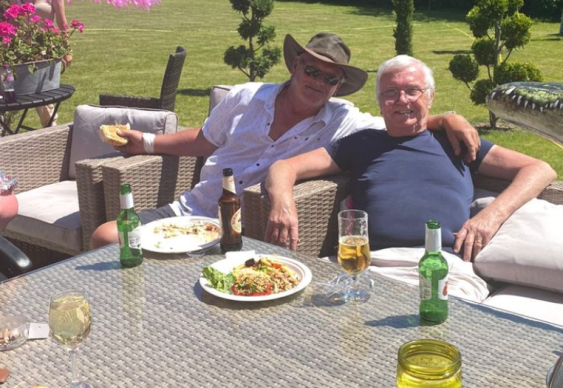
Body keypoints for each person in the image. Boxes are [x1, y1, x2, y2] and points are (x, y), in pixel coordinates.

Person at [91, 34, 479, 248]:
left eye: (331, 79)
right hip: (193, 211)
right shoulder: (244, 97)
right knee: (107, 236)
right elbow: (205, 139)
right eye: (312, 70)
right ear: (295, 65)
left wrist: (447, 117)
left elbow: (399, 117)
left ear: (338, 86)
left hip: (246, 230)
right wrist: (146, 142)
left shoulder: (343, 120)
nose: (319, 82)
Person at [264, 54, 556, 297]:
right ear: (379, 101)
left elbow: (540, 169)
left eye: (412, 90)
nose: (401, 100)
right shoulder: (361, 143)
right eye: (390, 93)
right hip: (369, 265)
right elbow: (283, 167)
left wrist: (490, 216)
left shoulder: (456, 142)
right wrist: (282, 203)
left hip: (444, 268)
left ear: (430, 97)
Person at [32, 0, 71, 127]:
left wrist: (66, 49)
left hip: (42, 50)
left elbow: (62, 22)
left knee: (43, 96)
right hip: (15, 49)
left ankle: (50, 130)